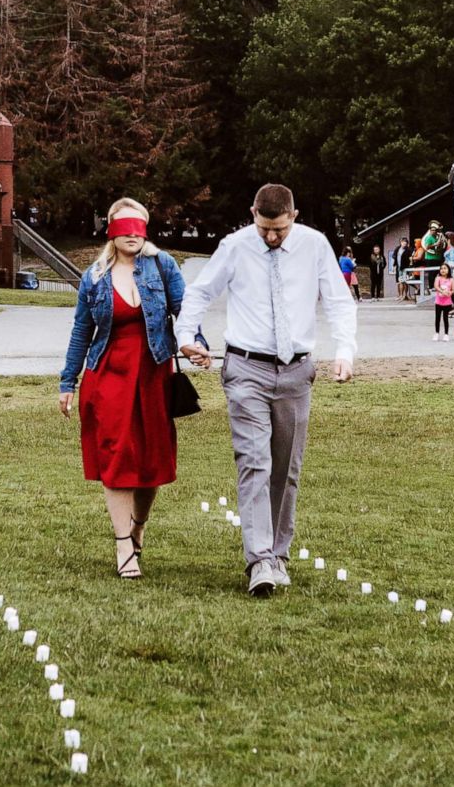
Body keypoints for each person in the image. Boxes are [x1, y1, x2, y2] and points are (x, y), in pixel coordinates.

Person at [175, 183, 357, 597]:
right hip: (245, 369)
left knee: (285, 468)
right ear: (253, 213)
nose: (271, 238)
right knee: (254, 461)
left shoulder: (314, 245)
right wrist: (188, 335)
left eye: (279, 230)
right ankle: (259, 560)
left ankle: (278, 553)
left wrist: (344, 350)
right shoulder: (235, 246)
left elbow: (338, 301)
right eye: (264, 229)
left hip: (296, 372)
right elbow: (200, 291)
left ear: (293, 216)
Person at [59, 197, 206, 579]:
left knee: (150, 461)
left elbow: (184, 310)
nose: (131, 235)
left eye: (137, 227)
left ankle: (139, 526)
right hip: (108, 375)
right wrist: (67, 382)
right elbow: (81, 331)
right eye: (122, 227)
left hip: (154, 373)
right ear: (110, 230)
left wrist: (195, 343)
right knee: (116, 455)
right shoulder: (94, 276)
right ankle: (123, 544)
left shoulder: (162, 265)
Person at [433, 262, 454, 342]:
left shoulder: (451, 279)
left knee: (446, 318)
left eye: (445, 268)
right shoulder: (438, 278)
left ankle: (446, 334)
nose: (443, 270)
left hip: (447, 302)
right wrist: (442, 291)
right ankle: (436, 333)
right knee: (437, 318)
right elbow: (436, 286)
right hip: (438, 302)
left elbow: (453, 289)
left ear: (448, 270)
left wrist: (449, 293)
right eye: (441, 268)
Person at [422, 220, 446, 288]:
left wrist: (441, 242)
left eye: (435, 230)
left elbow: (441, 245)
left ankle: (436, 286)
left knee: (437, 273)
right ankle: (431, 286)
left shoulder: (437, 237)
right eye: (432, 230)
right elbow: (426, 247)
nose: (434, 231)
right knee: (431, 273)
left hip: (437, 257)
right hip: (430, 258)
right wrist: (435, 244)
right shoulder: (429, 237)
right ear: (430, 231)